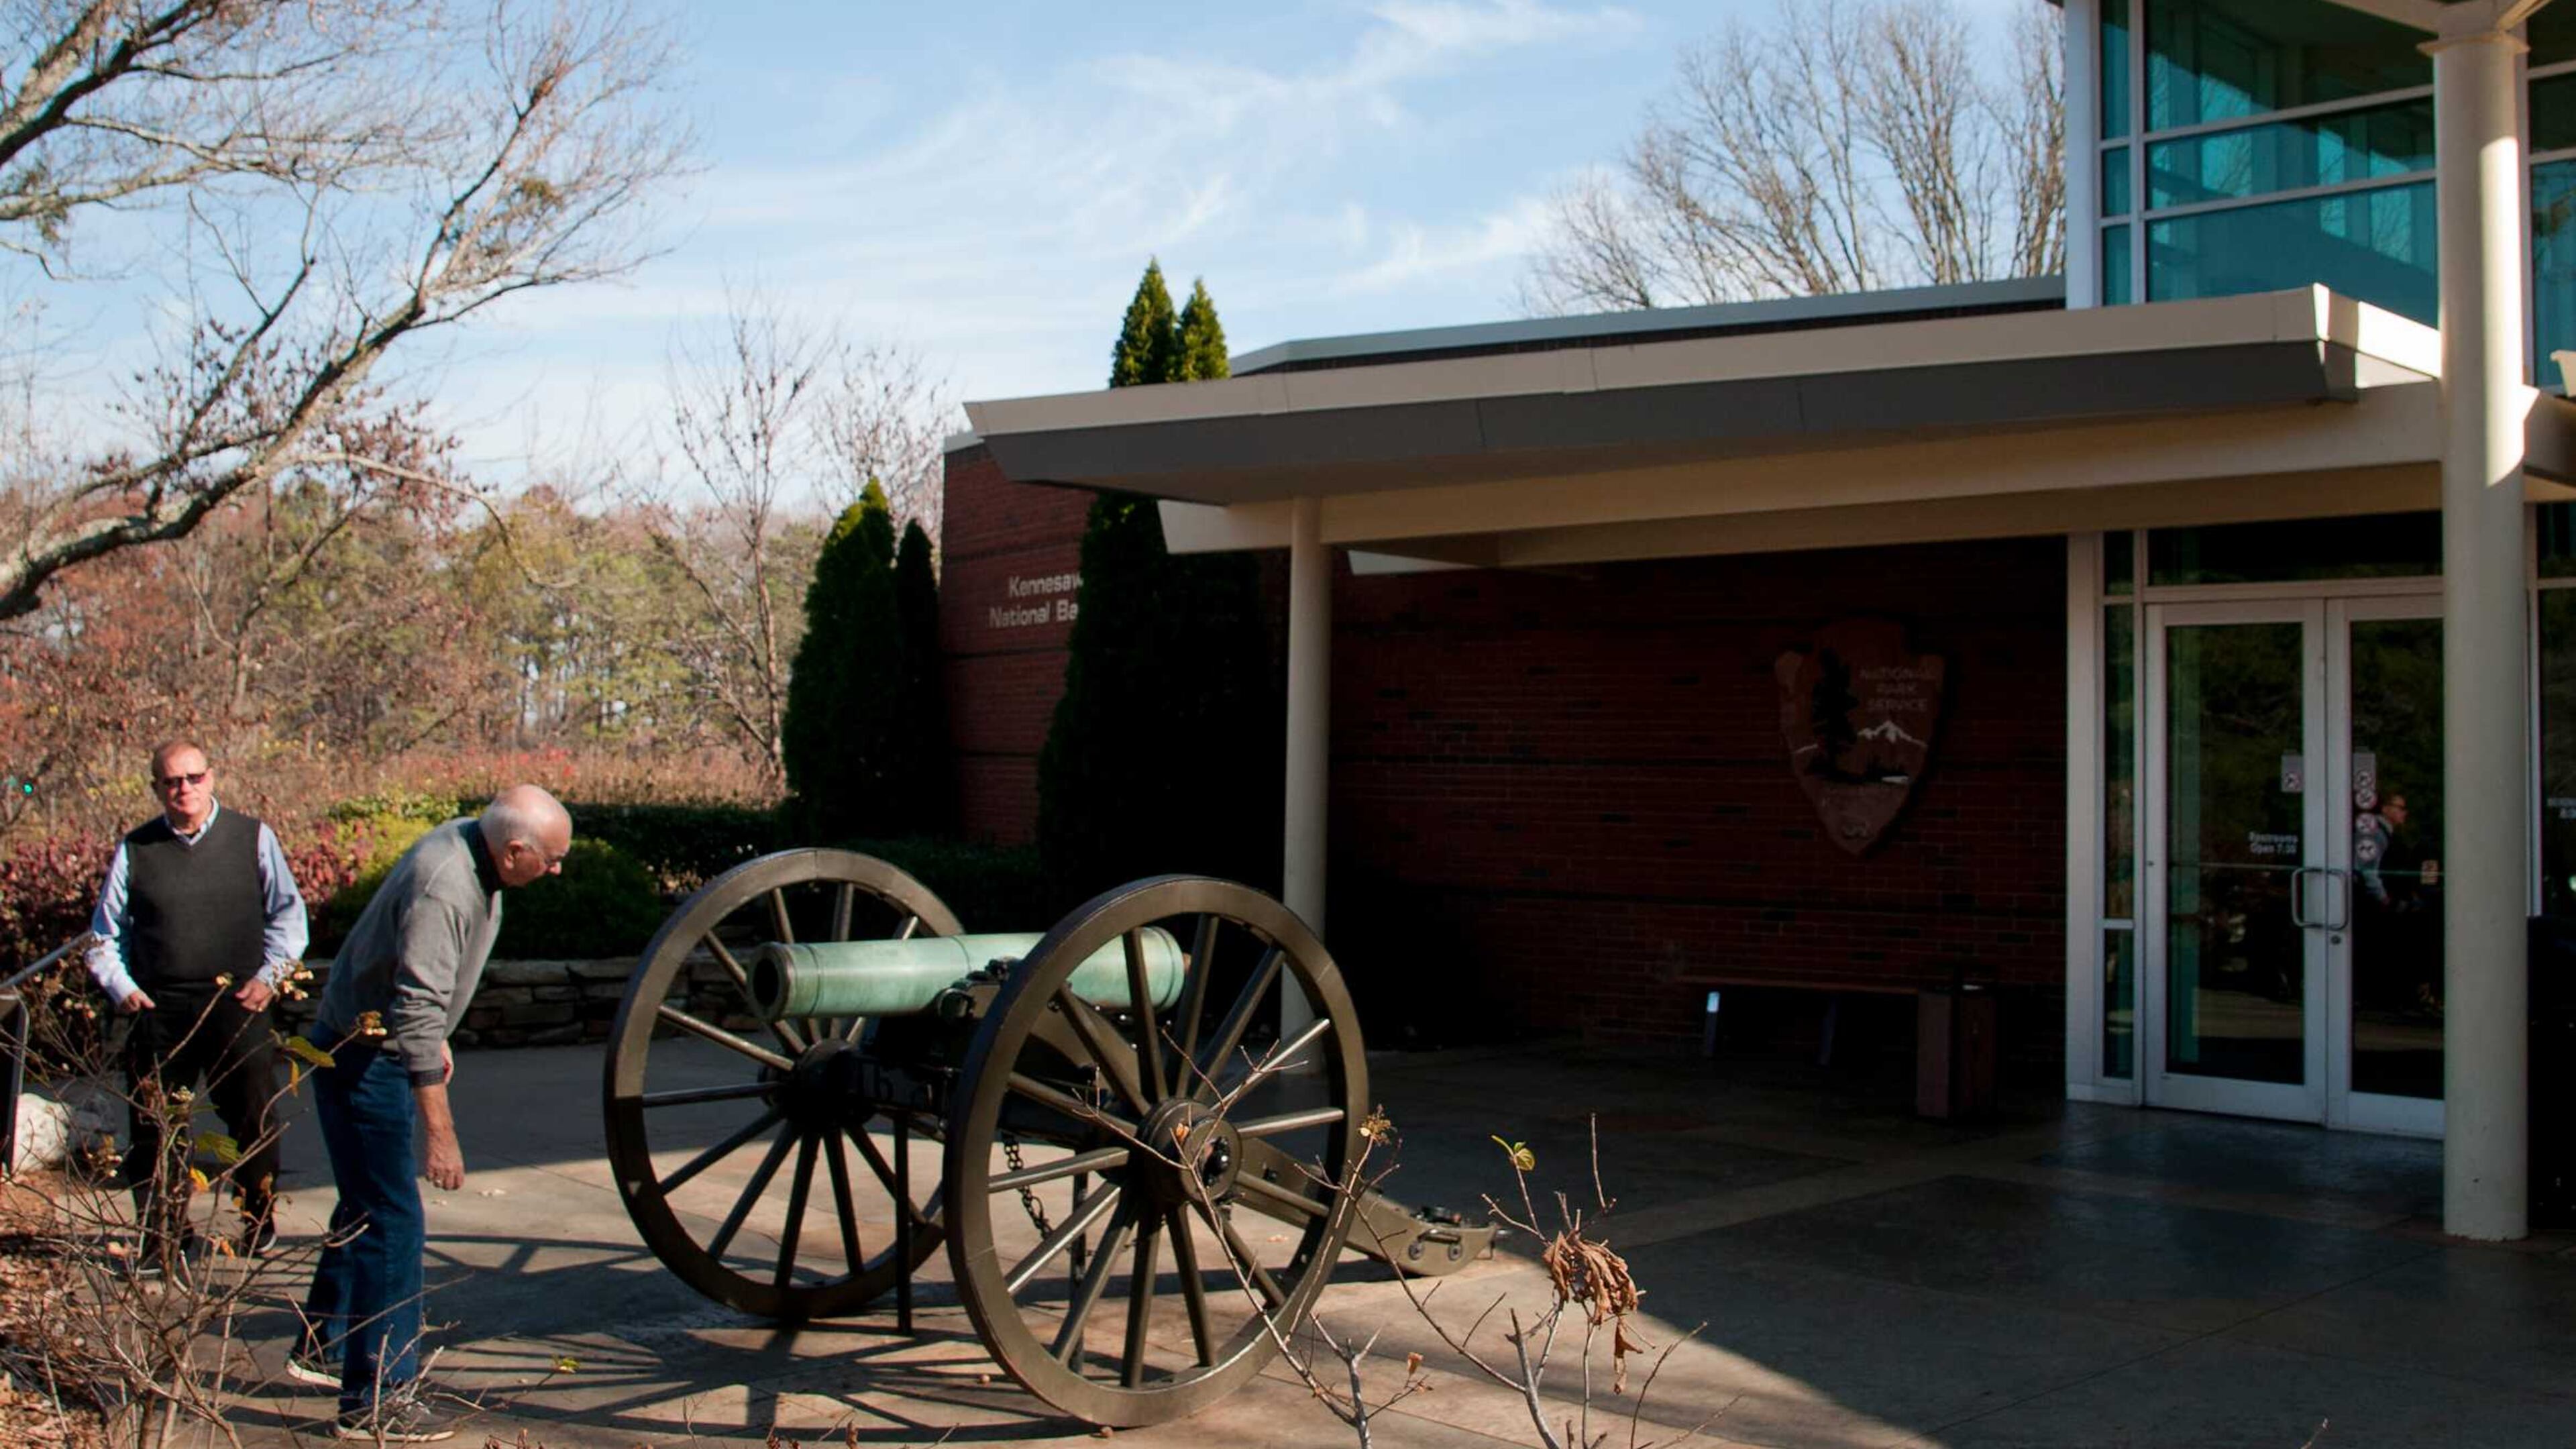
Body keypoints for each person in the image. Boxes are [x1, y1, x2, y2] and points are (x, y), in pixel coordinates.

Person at [288, 786, 569, 1444]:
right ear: (514, 850)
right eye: (551, 859)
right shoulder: (448, 884)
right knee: (393, 1222)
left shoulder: (471, 843)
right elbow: (413, 1006)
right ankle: (376, 1400)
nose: (557, 870)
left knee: (363, 1205)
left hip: (363, 1035)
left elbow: (408, 973)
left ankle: (321, 1346)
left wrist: (436, 1029)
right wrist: (441, 1136)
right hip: (366, 1059)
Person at [85, 739, 309, 1267]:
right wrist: (122, 988)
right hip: (158, 1008)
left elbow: (288, 914)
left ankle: (257, 1218)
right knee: (157, 1128)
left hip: (239, 1004)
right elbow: (103, 935)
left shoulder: (253, 837)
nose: (184, 789)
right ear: (157, 788)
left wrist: (270, 977)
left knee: (254, 1117)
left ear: (212, 777)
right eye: (171, 781)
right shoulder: (136, 849)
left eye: (193, 777)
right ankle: (163, 1236)